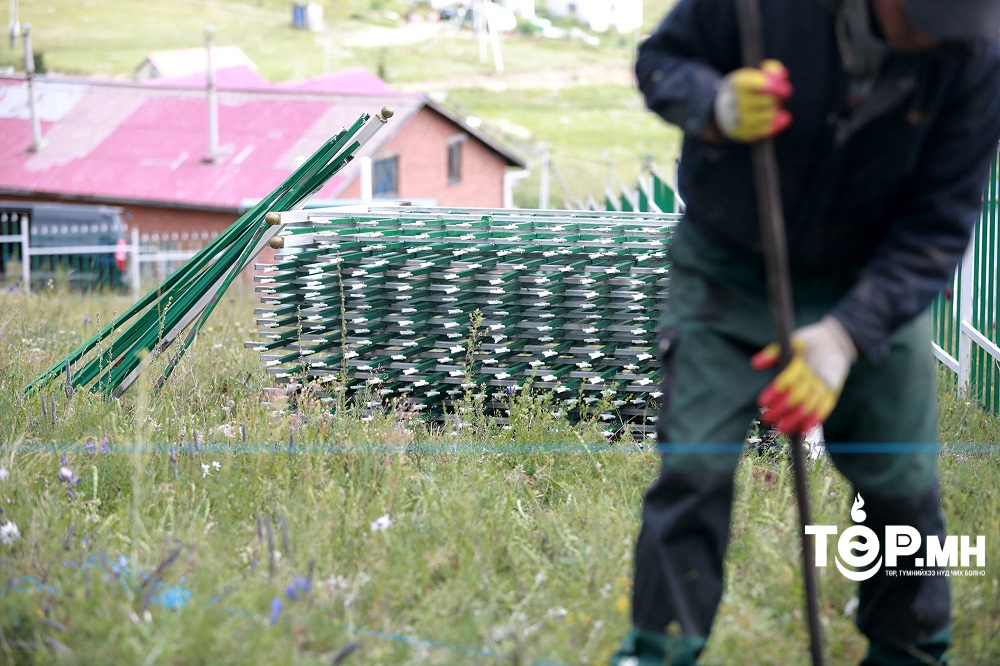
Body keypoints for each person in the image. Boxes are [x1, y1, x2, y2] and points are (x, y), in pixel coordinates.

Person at [612, 0, 1000, 664]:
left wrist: (847, 336)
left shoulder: (976, 53)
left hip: (871, 277)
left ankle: (908, 653)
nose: (935, 35)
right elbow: (661, 62)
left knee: (903, 490)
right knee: (694, 474)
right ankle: (659, 652)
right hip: (728, 264)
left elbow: (939, 227)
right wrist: (713, 104)